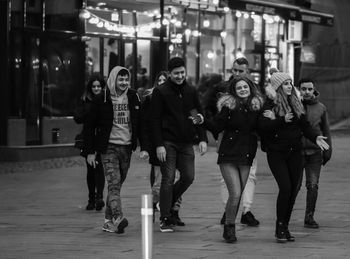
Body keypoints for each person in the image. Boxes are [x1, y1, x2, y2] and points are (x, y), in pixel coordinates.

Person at [258, 72, 329, 243]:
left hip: (295, 153)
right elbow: (262, 128)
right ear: (277, 87)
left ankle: (284, 227)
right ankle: (279, 225)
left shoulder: (296, 103)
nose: (290, 86)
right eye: (285, 83)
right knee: (286, 188)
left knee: (291, 192)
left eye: (290, 83)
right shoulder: (269, 105)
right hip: (277, 153)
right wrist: (282, 120)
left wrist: (316, 137)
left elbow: (304, 126)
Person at [202, 75, 264, 243]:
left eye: (245, 87)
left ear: (250, 88)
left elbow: (263, 128)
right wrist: (202, 121)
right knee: (235, 194)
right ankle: (229, 227)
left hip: (246, 155)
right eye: (239, 88)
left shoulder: (256, 107)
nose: (243, 90)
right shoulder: (229, 107)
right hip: (229, 154)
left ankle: (229, 225)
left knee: (238, 194)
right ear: (234, 91)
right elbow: (216, 126)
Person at [150, 57, 207, 232]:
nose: (180, 76)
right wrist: (158, 144)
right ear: (169, 74)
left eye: (182, 72)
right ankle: (165, 217)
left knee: (188, 176)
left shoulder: (191, 90)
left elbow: (197, 114)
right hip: (168, 142)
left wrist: (202, 138)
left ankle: (165, 203)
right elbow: (154, 119)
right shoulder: (161, 91)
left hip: (186, 142)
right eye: (176, 73)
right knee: (167, 179)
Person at [83, 66, 143, 234]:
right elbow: (88, 126)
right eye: (120, 79)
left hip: (126, 148)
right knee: (113, 184)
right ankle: (118, 217)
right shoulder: (101, 98)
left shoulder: (133, 96)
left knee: (116, 184)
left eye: (126, 79)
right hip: (108, 148)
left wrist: (144, 147)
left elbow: (141, 122)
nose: (123, 82)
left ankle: (108, 222)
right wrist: (89, 151)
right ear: (113, 79)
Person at [139, 71, 184, 225]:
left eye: (165, 80)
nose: (162, 82)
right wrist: (146, 146)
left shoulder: (177, 96)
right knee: (161, 181)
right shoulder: (150, 99)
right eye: (160, 80)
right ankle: (153, 205)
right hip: (158, 145)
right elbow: (145, 124)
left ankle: (174, 211)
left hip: (176, 144)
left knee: (178, 178)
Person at [298, 78, 332, 228]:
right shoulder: (294, 105)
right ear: (299, 90)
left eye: (309, 89)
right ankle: (284, 217)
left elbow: (326, 130)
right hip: (296, 152)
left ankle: (309, 217)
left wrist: (328, 151)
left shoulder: (321, 108)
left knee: (312, 185)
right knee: (294, 186)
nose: (306, 92)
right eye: (303, 89)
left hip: (315, 152)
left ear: (314, 90)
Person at [73, 73, 106, 211]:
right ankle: (91, 198)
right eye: (94, 86)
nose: (96, 88)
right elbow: (77, 117)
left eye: (99, 86)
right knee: (90, 170)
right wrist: (90, 112)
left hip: (100, 138)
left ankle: (99, 198)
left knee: (98, 167)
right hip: (88, 138)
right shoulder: (85, 100)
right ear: (90, 87)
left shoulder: (106, 99)